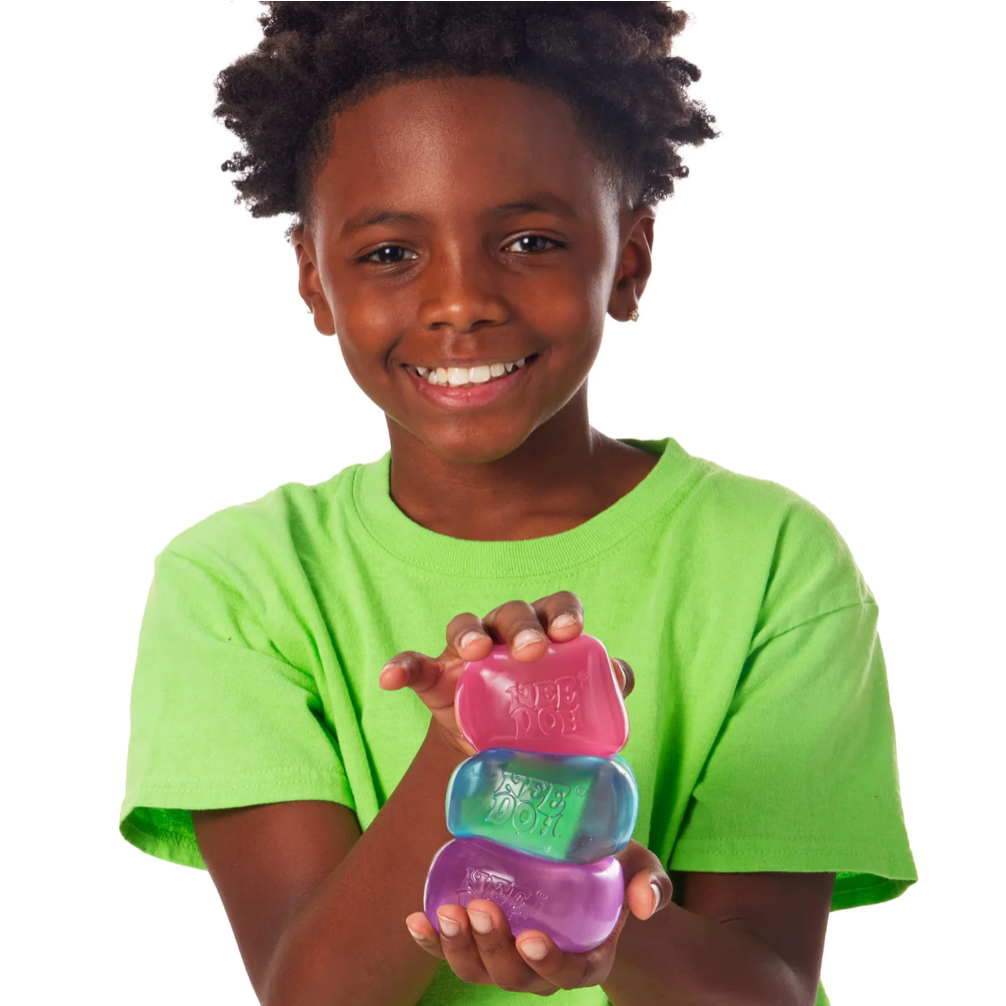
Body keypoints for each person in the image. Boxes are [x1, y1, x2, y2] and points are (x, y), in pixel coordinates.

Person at [118, 4, 918, 1004]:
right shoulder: (237, 584)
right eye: (389, 253)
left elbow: (771, 990)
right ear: (313, 281)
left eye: (531, 240)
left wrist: (611, 919)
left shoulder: (772, 562)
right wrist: (468, 747)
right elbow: (308, 992)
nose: (461, 301)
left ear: (629, 259)